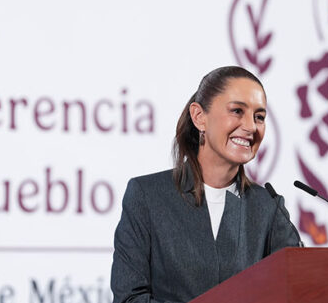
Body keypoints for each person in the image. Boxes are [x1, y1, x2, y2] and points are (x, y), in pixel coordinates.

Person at [111, 66, 302, 303]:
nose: (251, 126)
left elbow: (298, 292)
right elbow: (129, 298)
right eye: (237, 111)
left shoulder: (269, 208)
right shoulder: (147, 196)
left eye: (259, 117)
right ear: (199, 117)